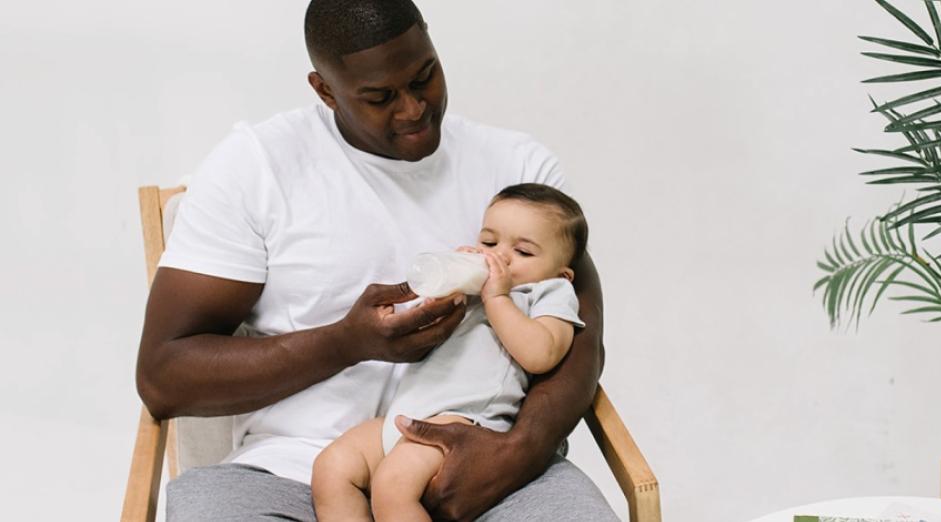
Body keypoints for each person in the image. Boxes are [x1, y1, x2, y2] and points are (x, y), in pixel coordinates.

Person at [136, 1, 616, 520]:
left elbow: (581, 337)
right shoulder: (256, 168)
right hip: (298, 469)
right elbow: (164, 377)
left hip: (485, 455)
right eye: (380, 97)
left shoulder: (520, 172)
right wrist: (346, 344)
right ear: (325, 90)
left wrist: (514, 455)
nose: (413, 109)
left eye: (424, 77)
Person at [312, 184, 590, 521]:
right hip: (405, 414)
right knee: (332, 468)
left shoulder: (548, 292)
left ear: (563, 274)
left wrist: (497, 298)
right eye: (489, 242)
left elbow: (541, 354)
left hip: (464, 421)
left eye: (523, 252)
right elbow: (425, 335)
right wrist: (447, 291)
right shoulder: (473, 289)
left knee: (393, 486)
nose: (499, 257)